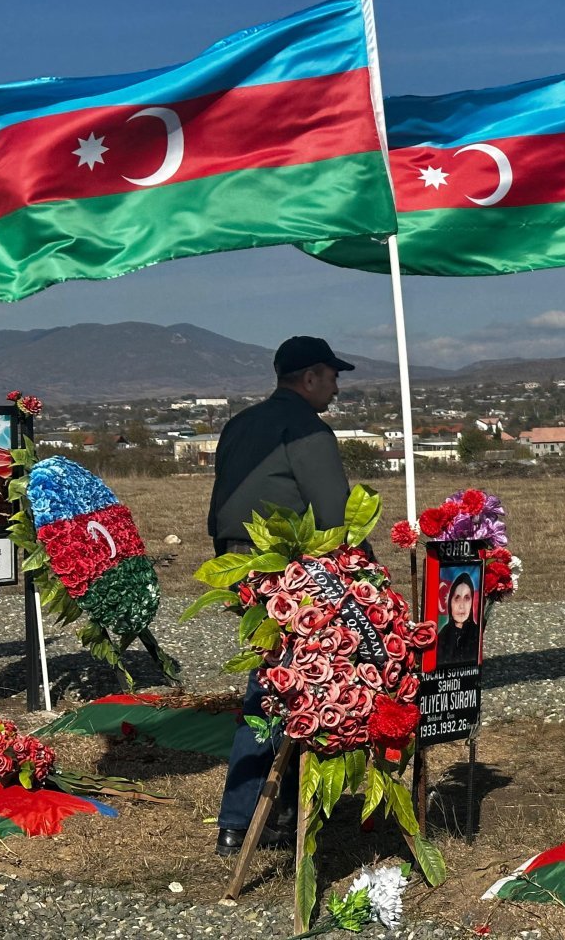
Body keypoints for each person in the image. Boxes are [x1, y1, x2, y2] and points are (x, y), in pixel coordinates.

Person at [207, 335, 356, 857]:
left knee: (272, 675)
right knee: (284, 683)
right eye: (333, 376)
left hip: (239, 562)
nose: (337, 388)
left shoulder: (239, 424)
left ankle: (271, 809)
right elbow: (335, 515)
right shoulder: (308, 430)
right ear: (310, 377)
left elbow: (220, 503)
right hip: (288, 569)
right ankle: (249, 815)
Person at [436, 573, 480, 666]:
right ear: (450, 603)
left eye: (467, 598)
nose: (462, 606)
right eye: (457, 598)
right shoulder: (442, 636)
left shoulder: (477, 633)